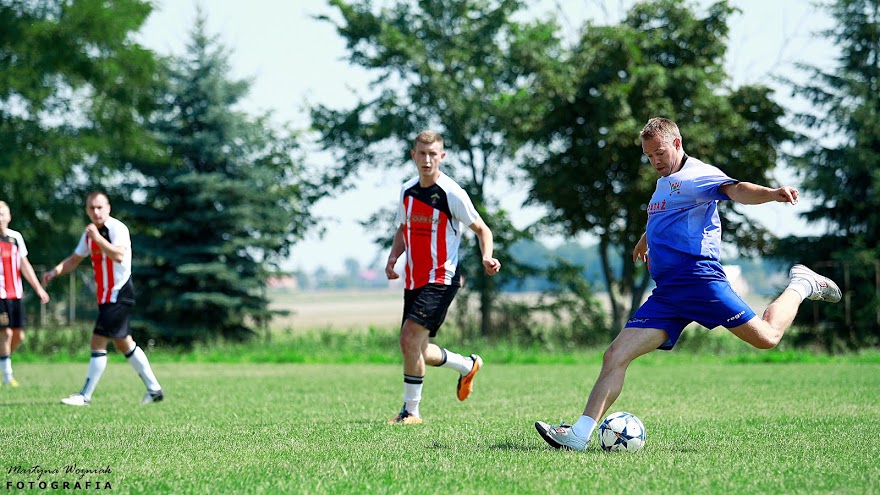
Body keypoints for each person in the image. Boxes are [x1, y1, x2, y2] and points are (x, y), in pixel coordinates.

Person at [534, 117, 842, 450]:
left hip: (699, 281)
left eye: (660, 152)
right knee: (615, 355)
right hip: (667, 294)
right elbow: (665, 215)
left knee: (767, 337)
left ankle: (802, 284)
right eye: (649, 156)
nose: (655, 161)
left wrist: (771, 194)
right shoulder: (664, 182)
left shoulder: (698, 174)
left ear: (677, 144)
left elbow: (736, 189)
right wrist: (644, 239)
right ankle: (579, 436)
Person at [385, 130, 502, 425]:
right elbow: (403, 228)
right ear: (413, 155)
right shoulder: (407, 191)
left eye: (433, 154)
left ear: (442, 156)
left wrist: (487, 256)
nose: (427, 160)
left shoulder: (451, 193)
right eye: (421, 154)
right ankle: (467, 364)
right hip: (414, 279)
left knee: (408, 338)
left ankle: (411, 412)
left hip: (442, 277)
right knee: (417, 348)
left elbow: (482, 230)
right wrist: (392, 257)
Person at [41, 191, 164, 406]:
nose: (96, 212)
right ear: (87, 210)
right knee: (125, 344)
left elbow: (119, 255)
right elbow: (75, 259)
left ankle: (85, 395)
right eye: (91, 208)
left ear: (108, 208)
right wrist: (55, 271)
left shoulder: (117, 229)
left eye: (100, 207)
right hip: (106, 296)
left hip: (119, 293)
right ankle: (154, 390)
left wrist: (98, 239)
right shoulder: (89, 234)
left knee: (98, 341)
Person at [0, 201, 50, 387]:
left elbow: (24, 264)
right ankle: (7, 376)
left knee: (18, 336)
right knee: (4, 332)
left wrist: (38, 288)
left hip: (16, 294)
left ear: (9, 217)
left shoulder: (15, 238)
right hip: (0, 295)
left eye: (2, 213)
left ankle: (3, 361)